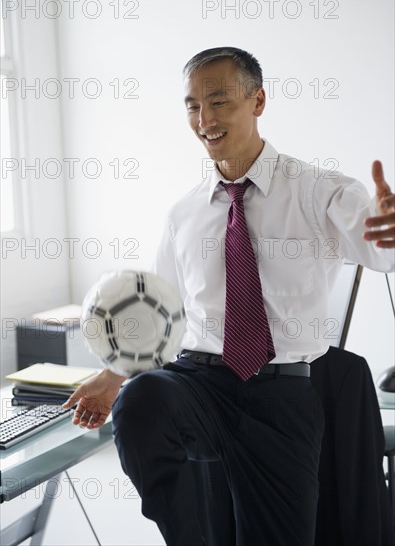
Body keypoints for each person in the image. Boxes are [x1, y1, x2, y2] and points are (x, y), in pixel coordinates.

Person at [63, 47, 395, 546]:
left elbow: (378, 249)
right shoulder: (184, 214)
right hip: (200, 382)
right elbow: (162, 311)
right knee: (141, 402)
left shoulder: (316, 191)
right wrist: (114, 376)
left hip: (282, 397)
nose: (205, 119)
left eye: (219, 101)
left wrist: (386, 229)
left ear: (258, 101)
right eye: (193, 106)